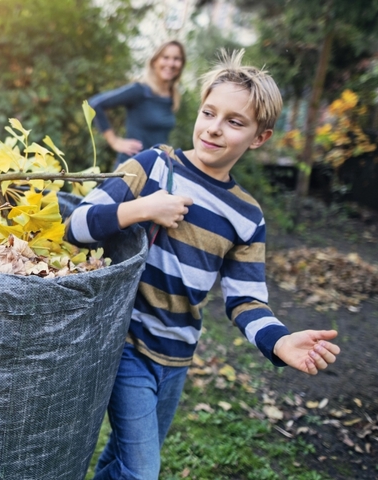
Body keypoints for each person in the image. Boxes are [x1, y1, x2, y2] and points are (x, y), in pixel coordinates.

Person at [67, 50, 341, 480]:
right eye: (209, 112)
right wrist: (141, 208)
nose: (214, 127)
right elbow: (75, 225)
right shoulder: (153, 166)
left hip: (177, 356)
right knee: (141, 472)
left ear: (259, 138)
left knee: (123, 457)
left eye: (234, 121)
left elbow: (246, 300)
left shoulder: (247, 216)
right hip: (127, 346)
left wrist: (279, 341)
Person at [89, 40, 185, 169]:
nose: (171, 63)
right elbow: (95, 104)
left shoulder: (172, 96)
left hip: (155, 170)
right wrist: (114, 141)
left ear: (181, 64)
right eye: (165, 57)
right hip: (129, 169)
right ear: (154, 61)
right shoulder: (140, 90)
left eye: (176, 59)